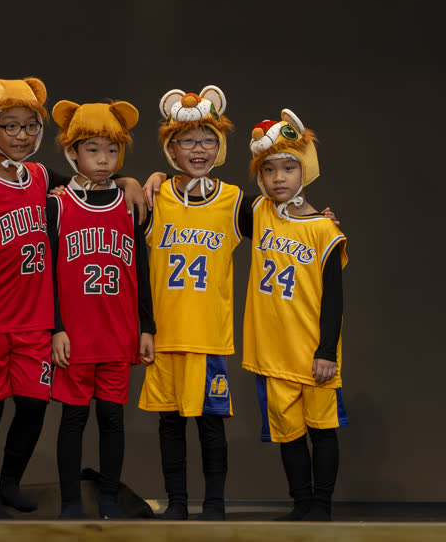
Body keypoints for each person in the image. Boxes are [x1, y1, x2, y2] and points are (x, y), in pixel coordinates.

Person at [0, 76, 153, 519]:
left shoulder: (43, 177)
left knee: (34, 404)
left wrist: (130, 180)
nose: (21, 136)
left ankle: (9, 481)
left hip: (36, 320)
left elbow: (94, 177)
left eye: (30, 126)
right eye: (10, 126)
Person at [47, 99, 155, 520]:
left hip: (117, 331)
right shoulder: (57, 204)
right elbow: (47, 276)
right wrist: (56, 327)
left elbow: (141, 270)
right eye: (93, 150)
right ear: (73, 152)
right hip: (75, 335)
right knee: (73, 419)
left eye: (112, 151)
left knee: (112, 418)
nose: (103, 159)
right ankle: (71, 503)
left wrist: (146, 325)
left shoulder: (129, 204)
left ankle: (109, 499)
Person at [138, 87, 241, 521]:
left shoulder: (234, 200)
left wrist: (318, 217)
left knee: (211, 427)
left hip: (208, 337)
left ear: (220, 148)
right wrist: (138, 179)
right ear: (171, 149)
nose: (199, 149)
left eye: (208, 141)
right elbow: (108, 190)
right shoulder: (154, 197)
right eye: (188, 141)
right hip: (165, 336)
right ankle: (177, 503)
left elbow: (281, 223)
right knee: (170, 426)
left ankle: (214, 505)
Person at [242, 110, 347, 522]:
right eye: (269, 170)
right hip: (273, 353)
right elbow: (207, 199)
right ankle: (301, 503)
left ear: (306, 170)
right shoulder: (259, 212)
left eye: (288, 167)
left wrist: (327, 351)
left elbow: (334, 299)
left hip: (313, 354)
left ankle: (322, 505)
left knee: (322, 430)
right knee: (289, 435)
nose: (278, 178)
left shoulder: (324, 230)